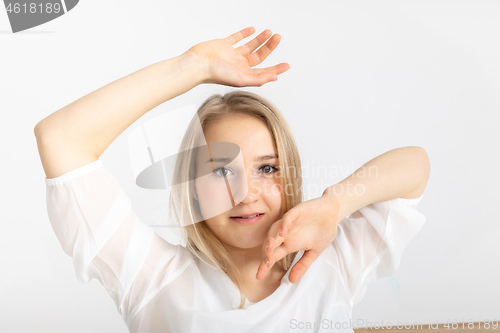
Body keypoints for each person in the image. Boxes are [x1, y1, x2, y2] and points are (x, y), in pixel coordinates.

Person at [35, 27, 430, 332]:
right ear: (191, 191)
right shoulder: (151, 274)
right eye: (221, 171)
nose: (245, 195)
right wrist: (193, 67)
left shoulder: (333, 260)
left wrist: (336, 204)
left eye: (268, 168)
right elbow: (61, 139)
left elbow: (415, 167)